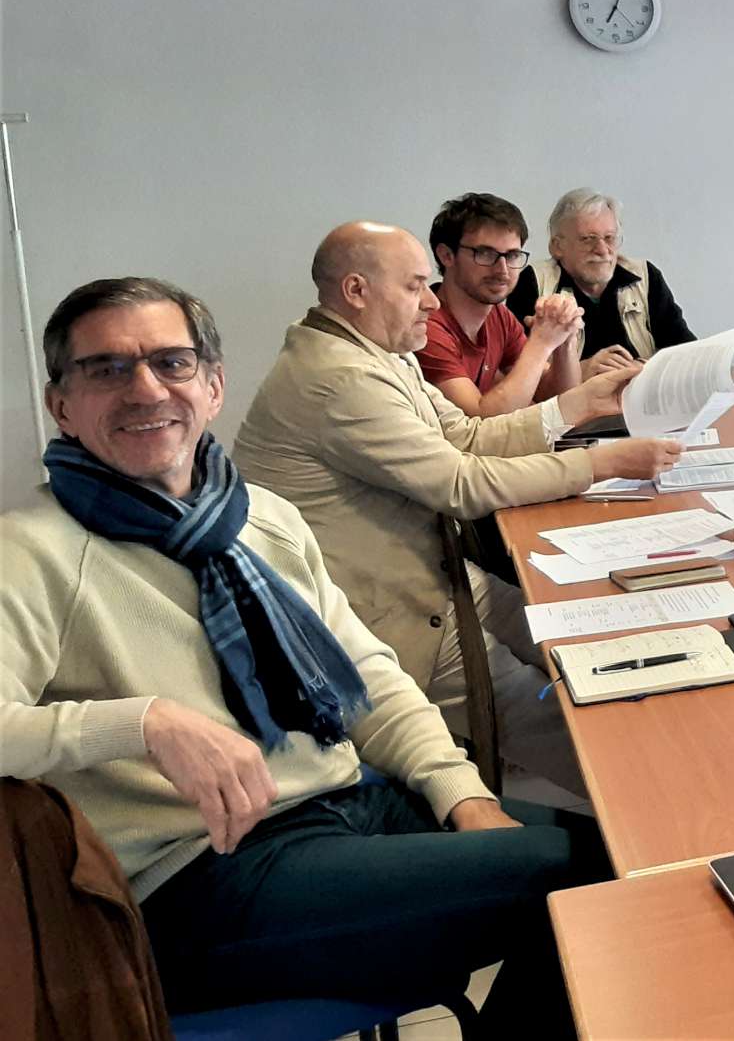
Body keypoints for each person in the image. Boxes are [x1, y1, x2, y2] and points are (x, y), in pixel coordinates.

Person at [2, 277, 605, 1028]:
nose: (145, 389)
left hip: (344, 806)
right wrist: (145, 722)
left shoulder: (261, 518)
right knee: (587, 883)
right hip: (199, 874)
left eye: (171, 362)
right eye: (107, 369)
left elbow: (367, 676)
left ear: (213, 387)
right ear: (61, 405)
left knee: (622, 857)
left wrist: (463, 794)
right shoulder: (32, 551)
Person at [236, 221, 682, 797]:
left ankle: (668, 764)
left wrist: (578, 403)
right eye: (414, 286)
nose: (430, 301)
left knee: (575, 632)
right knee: (551, 716)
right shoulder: (339, 377)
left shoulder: (376, 354)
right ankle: (660, 803)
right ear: (356, 291)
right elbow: (461, 483)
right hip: (388, 611)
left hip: (430, 574)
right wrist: (600, 464)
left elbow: (466, 436)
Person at [417, 192, 583, 417]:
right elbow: (478, 417)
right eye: (485, 253)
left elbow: (560, 399)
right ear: (447, 255)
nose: (502, 270)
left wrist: (565, 338)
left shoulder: (499, 317)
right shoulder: (426, 326)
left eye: (512, 255)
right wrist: (541, 343)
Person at [507, 187, 695, 372]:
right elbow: (514, 368)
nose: (602, 250)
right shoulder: (534, 282)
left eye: (609, 238)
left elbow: (686, 352)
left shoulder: (645, 277)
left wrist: (641, 371)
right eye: (588, 239)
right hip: (573, 393)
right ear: (557, 246)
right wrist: (580, 372)